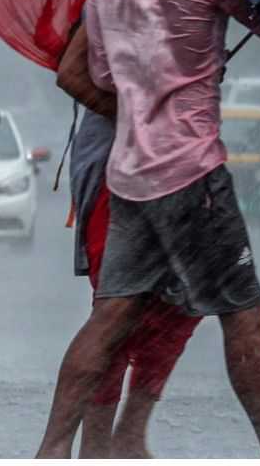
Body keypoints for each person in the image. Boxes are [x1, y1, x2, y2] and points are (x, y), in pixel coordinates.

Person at [36, 0, 260, 458]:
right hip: (192, 173)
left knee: (108, 320)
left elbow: (100, 70)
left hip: (128, 173)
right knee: (245, 317)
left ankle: (50, 453)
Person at [58, 24, 203, 458]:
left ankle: (129, 435)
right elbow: (71, 74)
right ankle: (93, 448)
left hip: (179, 166)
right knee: (118, 309)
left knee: (181, 304)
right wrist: (137, 118)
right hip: (117, 172)